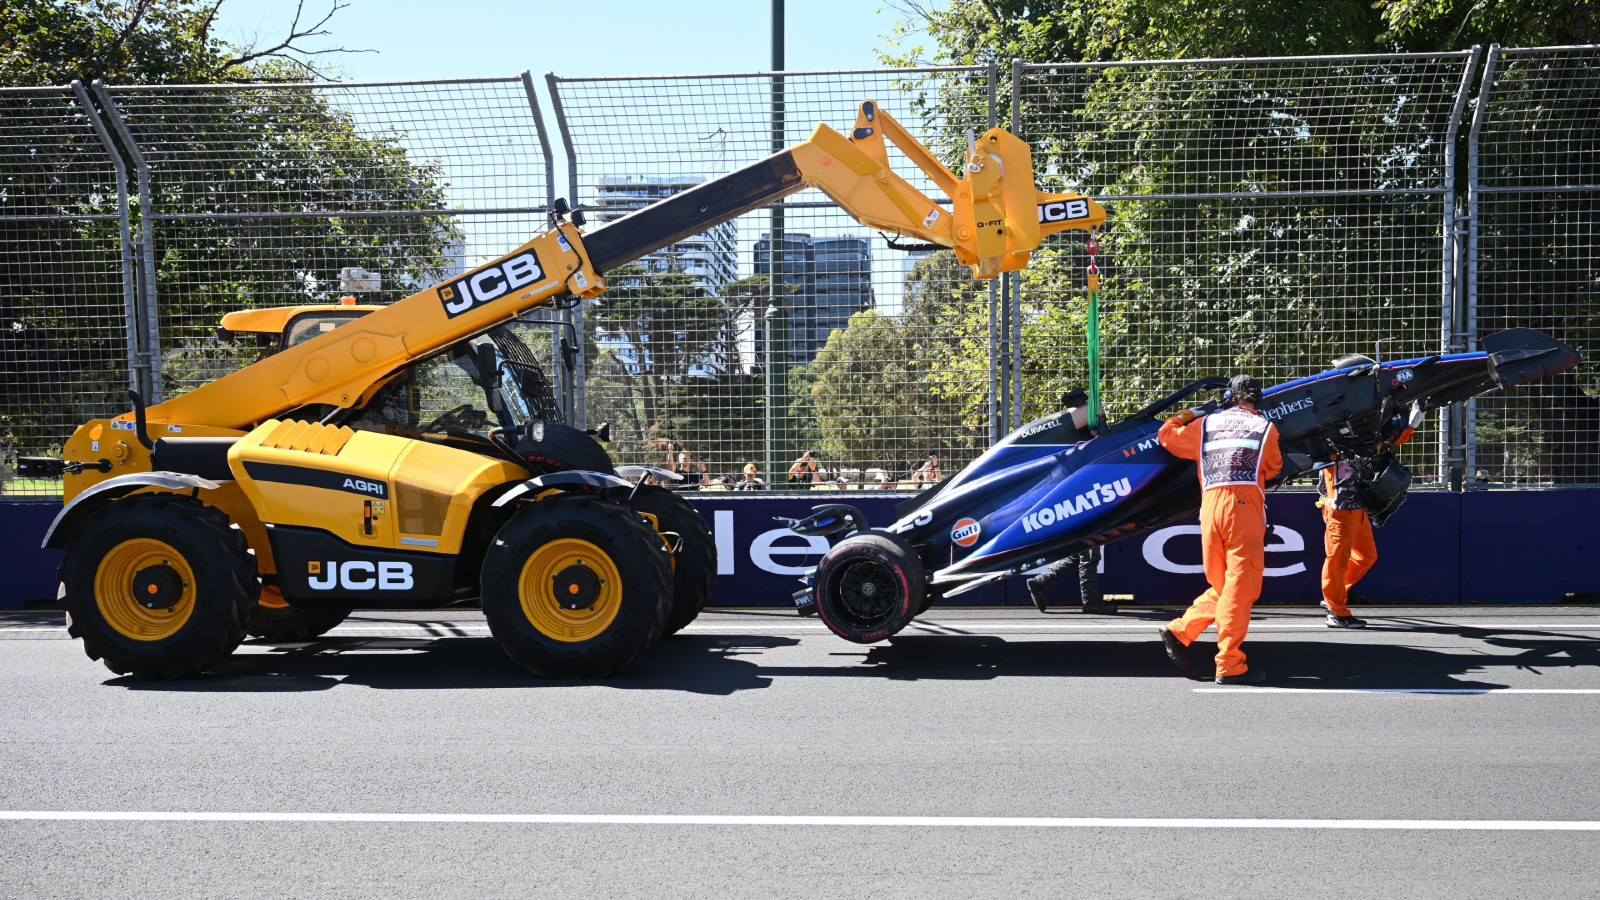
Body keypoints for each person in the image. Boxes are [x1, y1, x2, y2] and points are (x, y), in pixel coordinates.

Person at [1154, 374, 1282, 685]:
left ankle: (1180, 630)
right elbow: (1274, 467)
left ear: (1229, 397)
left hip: (1211, 509)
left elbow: (1166, 435)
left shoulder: (1206, 424)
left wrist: (1189, 413)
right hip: (1243, 510)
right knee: (1240, 590)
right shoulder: (1266, 428)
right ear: (1257, 400)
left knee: (1225, 586)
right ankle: (1230, 664)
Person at [1027, 387, 1116, 614]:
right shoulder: (1082, 422)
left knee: (1083, 549)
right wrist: (1100, 422)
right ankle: (1091, 602)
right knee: (1090, 548)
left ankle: (1042, 582)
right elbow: (1105, 439)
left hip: (1075, 488)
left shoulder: (1065, 426)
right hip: (1085, 489)